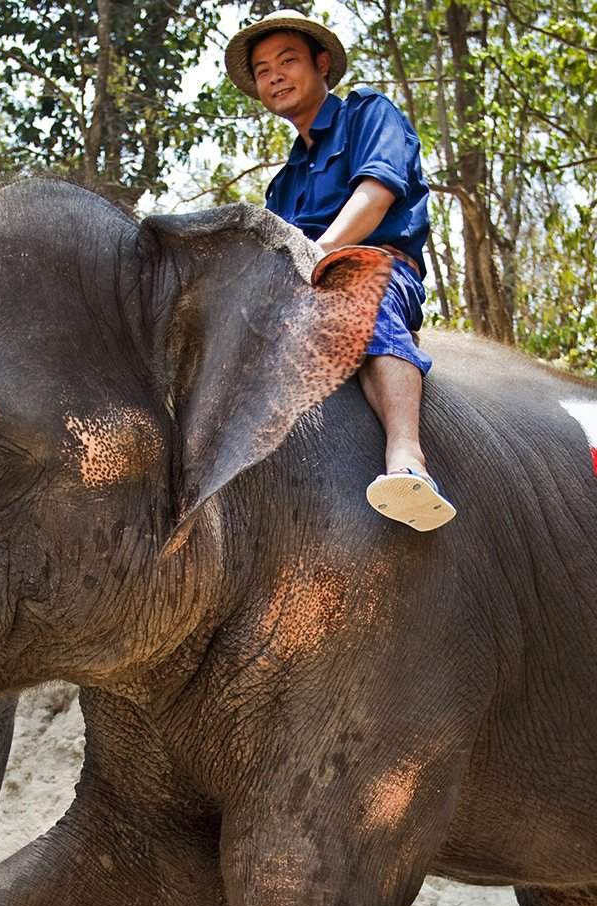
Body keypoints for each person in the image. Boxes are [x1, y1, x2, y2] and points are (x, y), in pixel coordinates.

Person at [227, 10, 455, 532]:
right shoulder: (282, 184)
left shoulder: (368, 114)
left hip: (375, 265)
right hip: (300, 288)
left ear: (322, 64)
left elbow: (375, 196)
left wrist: (319, 256)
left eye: (287, 61)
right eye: (263, 70)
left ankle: (407, 456)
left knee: (354, 290)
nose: (275, 76)